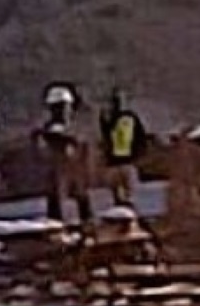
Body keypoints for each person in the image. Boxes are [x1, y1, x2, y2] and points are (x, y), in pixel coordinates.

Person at [39, 83, 96, 232]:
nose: (66, 111)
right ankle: (57, 231)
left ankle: (87, 227)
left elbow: (83, 151)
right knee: (57, 201)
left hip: (75, 175)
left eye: (67, 106)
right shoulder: (49, 133)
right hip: (59, 175)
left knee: (82, 199)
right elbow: (44, 154)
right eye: (63, 107)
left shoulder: (75, 130)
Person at [100, 90, 149, 212]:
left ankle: (125, 216)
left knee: (120, 196)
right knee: (127, 196)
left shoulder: (116, 118)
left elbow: (105, 136)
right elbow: (141, 138)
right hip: (123, 163)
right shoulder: (128, 118)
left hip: (118, 163)